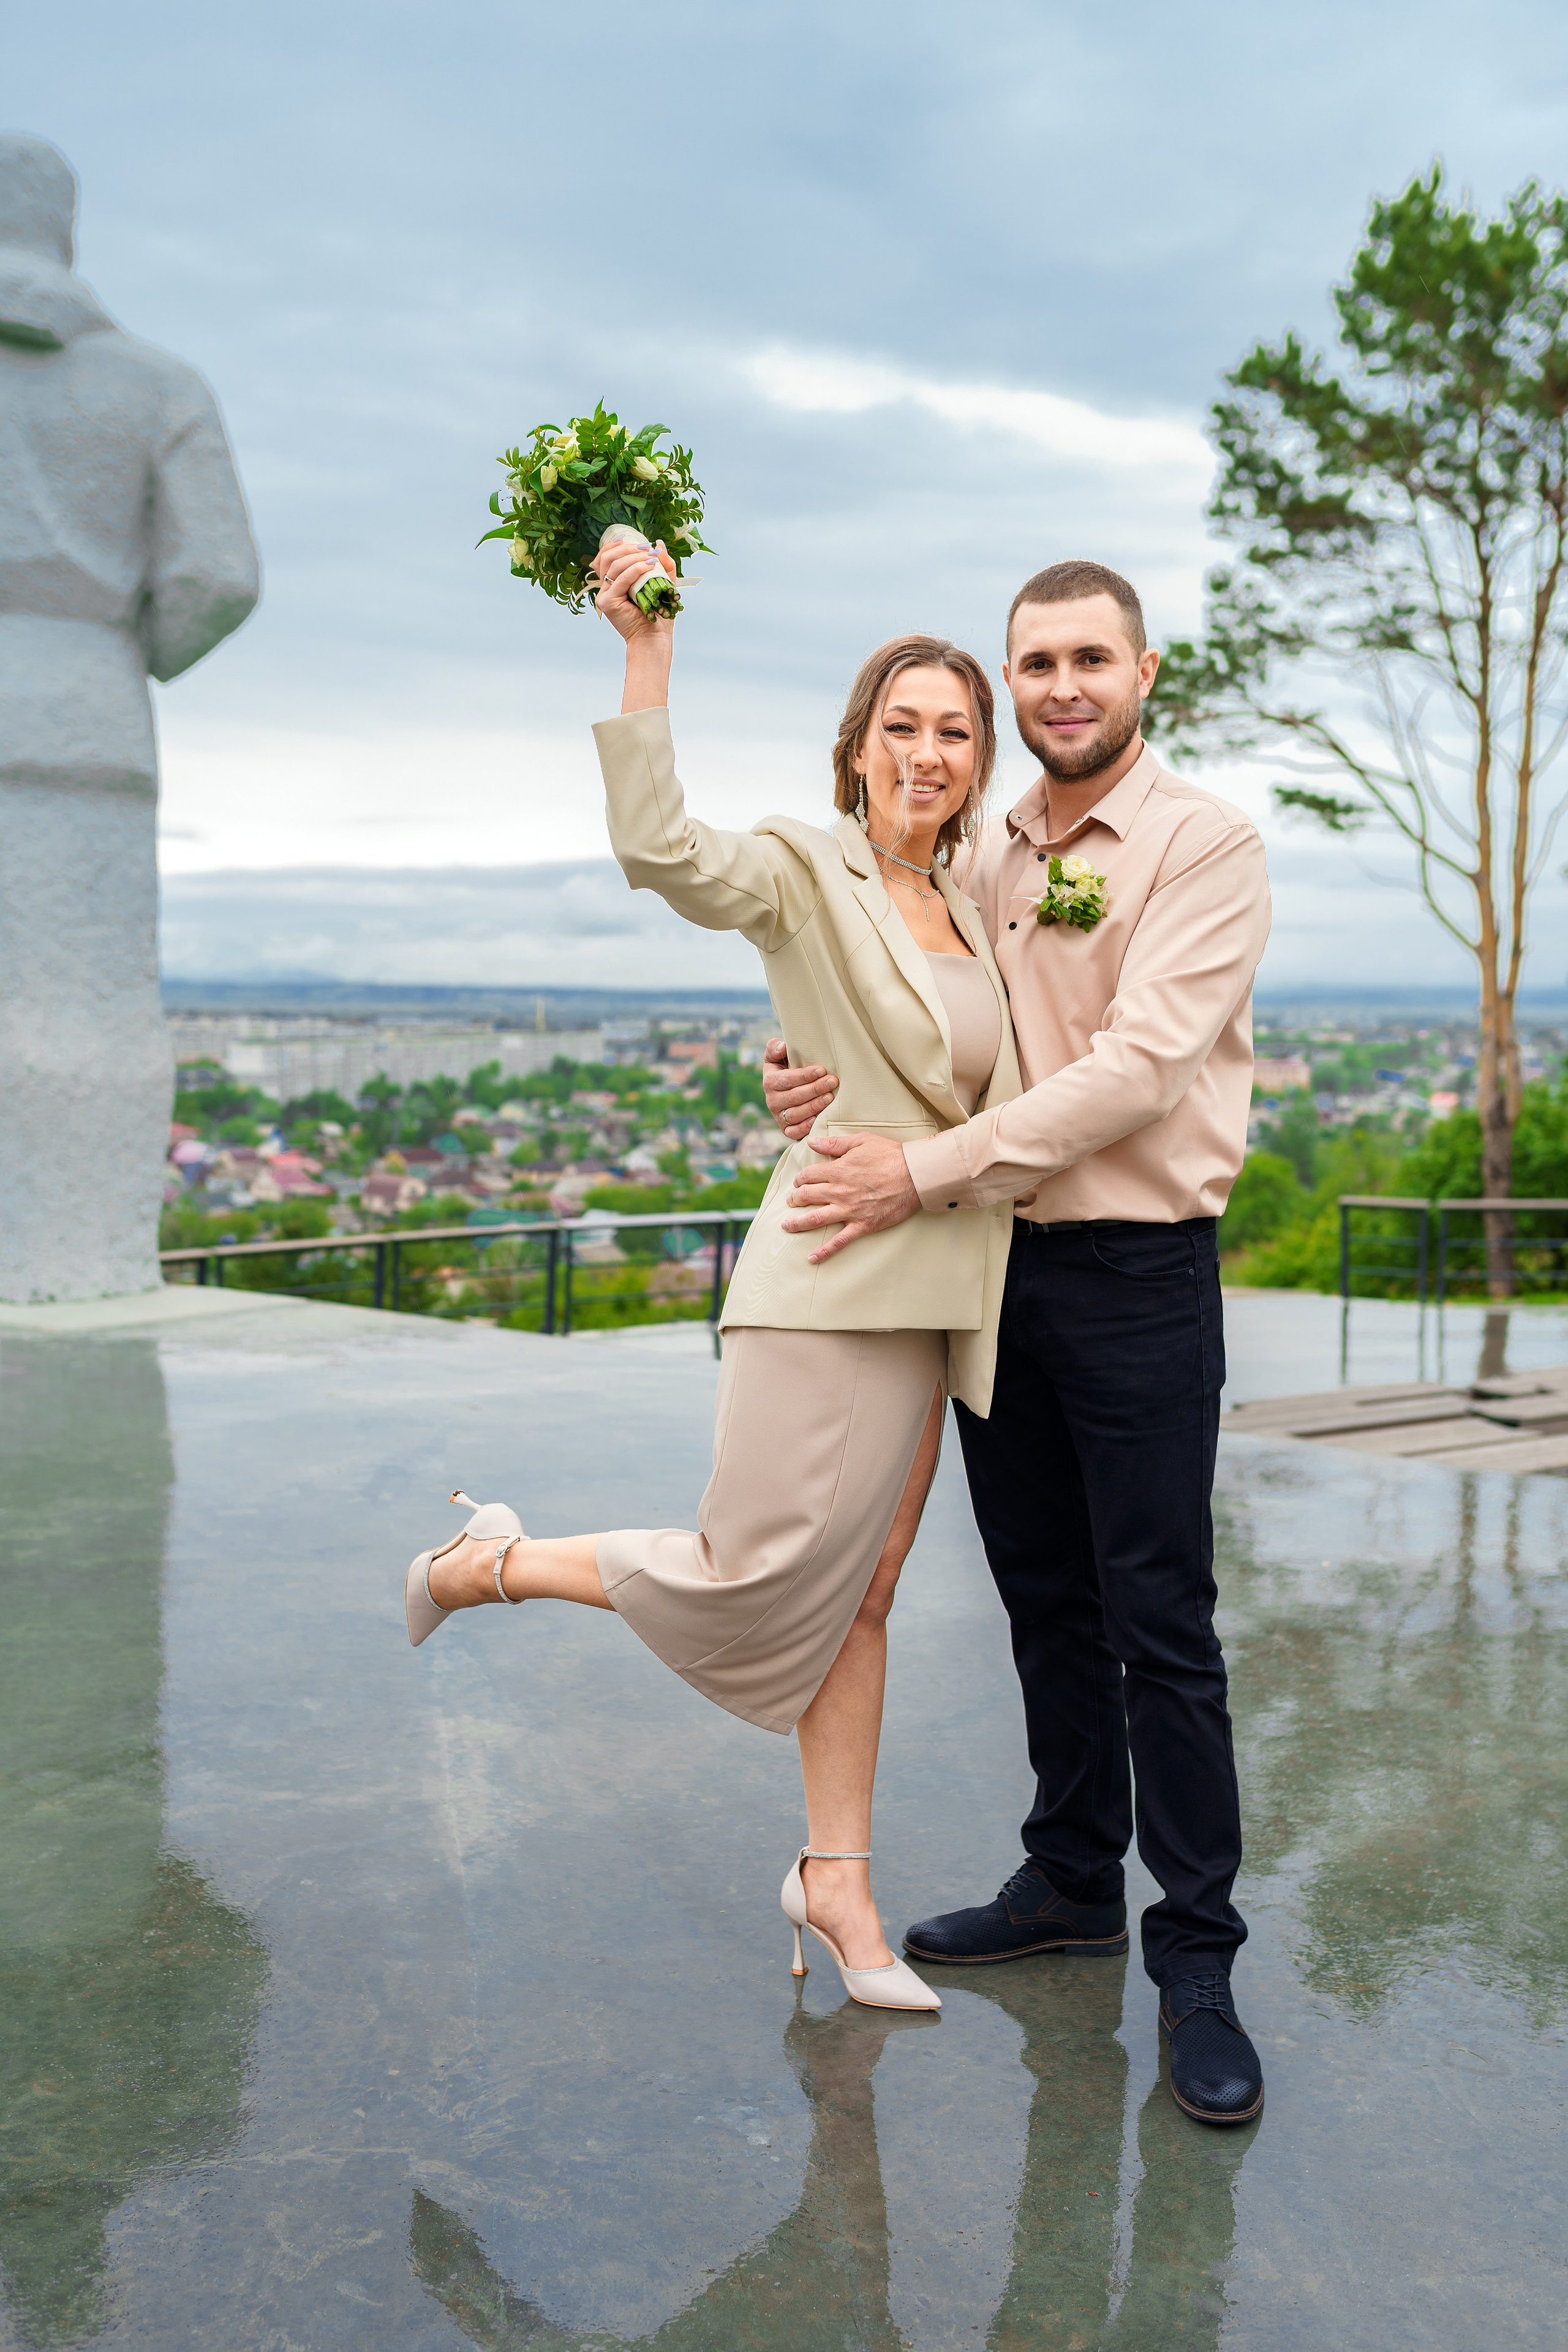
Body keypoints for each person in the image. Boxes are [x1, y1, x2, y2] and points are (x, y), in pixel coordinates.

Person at [401, 533, 1024, 2015]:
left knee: (864, 1593)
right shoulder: (804, 868)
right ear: (855, 749)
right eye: (901, 727)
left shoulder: (985, 902)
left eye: (953, 731)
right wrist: (645, 648)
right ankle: (481, 1565)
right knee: (753, 1567)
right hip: (823, 1269)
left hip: (939, 1289)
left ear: (976, 758)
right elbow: (664, 850)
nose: (925, 754)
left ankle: (838, 1882)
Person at [762, 559, 1272, 2124]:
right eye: (1031, 663)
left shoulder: (1207, 846)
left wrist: (913, 1167)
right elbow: (919, 1025)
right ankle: (1067, 1884)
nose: (1057, 687)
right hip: (993, 1272)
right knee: (1043, 1604)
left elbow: (1131, 1072)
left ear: (1141, 671)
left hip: (1134, 1274)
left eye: (1084, 660)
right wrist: (803, 1082)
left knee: (1158, 1625)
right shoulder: (983, 849)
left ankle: (1195, 1961)